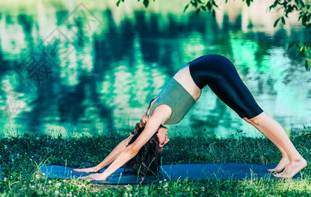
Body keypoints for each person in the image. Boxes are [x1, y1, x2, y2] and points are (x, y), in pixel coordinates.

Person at [74, 54, 307, 180]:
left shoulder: (158, 115)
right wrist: (96, 167)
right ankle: (286, 156)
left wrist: (104, 176)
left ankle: (296, 158)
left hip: (213, 68)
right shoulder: (149, 118)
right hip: (209, 70)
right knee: (249, 117)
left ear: (154, 136)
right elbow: (129, 142)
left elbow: (133, 150)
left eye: (161, 144)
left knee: (254, 115)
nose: (167, 142)